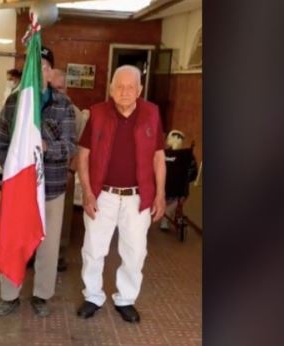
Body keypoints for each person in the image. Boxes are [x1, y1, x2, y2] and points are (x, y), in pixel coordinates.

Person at [76, 65, 166, 323]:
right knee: (93, 248)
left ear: (139, 90)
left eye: (130, 87)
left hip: (138, 198)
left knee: (135, 251)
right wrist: (88, 193)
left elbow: (159, 157)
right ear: (111, 89)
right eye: (120, 86)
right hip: (102, 195)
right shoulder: (97, 113)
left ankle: (125, 298)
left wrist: (160, 194)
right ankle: (93, 295)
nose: (125, 91)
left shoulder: (151, 113)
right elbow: (84, 155)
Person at [0, 46, 77, 317]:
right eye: (34, 66)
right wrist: (15, 169)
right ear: (26, 70)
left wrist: (44, 146)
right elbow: (2, 141)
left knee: (48, 246)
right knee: (14, 241)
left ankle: (42, 295)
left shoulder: (64, 106)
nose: (40, 71)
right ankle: (9, 296)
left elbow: (69, 147)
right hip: (21, 190)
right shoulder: (14, 103)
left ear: (51, 71)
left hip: (51, 189)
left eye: (44, 67)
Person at [49, 68, 89, 273]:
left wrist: (71, 172)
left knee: (62, 218)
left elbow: (80, 145)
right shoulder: (43, 107)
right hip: (43, 174)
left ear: (66, 88)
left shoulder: (75, 113)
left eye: (60, 87)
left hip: (65, 172)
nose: (57, 92)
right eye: (53, 87)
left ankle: (59, 255)